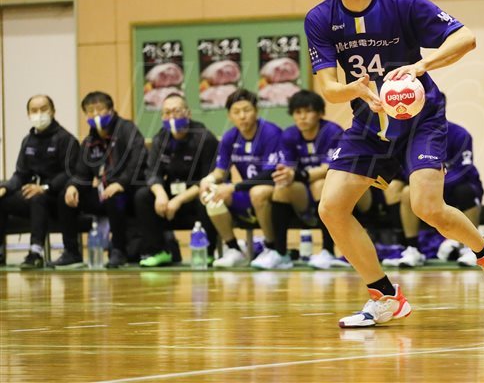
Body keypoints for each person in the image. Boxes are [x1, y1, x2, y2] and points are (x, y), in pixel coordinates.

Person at [305, 0, 484, 327]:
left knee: (426, 207)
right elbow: (329, 89)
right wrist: (353, 89)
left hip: (421, 117)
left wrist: (422, 65)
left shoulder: (403, 4)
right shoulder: (320, 18)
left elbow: (466, 38)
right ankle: (385, 296)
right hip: (369, 121)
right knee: (331, 208)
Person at [258, 90, 350, 270]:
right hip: (304, 194)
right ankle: (280, 253)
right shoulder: (289, 135)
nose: (302, 117)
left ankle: (327, 251)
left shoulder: (332, 131)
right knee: (281, 187)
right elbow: (288, 169)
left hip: (334, 190)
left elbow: (330, 168)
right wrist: (287, 174)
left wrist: (300, 175)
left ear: (320, 113)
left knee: (321, 184)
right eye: (298, 112)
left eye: (308, 111)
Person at [54, 91, 147, 268]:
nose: (95, 114)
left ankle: (119, 250)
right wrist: (73, 186)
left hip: (127, 192)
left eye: (100, 109)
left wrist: (120, 183)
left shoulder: (127, 129)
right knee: (65, 196)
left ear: (111, 110)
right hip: (103, 193)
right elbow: (82, 173)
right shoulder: (89, 141)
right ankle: (71, 252)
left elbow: (139, 160)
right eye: (90, 111)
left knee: (115, 197)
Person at [383, 117, 484, 268]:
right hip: (429, 185)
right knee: (406, 192)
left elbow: (464, 169)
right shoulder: (412, 136)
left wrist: (435, 182)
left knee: (466, 192)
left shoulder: (460, 134)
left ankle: (472, 249)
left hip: (457, 184)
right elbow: (406, 168)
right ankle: (412, 248)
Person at [199, 89, 282, 268]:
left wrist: (233, 187)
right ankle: (234, 249)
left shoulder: (271, 132)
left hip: (272, 191)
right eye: (236, 112)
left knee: (258, 192)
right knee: (213, 195)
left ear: (256, 111)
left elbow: (270, 174)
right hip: (245, 191)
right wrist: (208, 180)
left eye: (247, 110)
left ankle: (271, 248)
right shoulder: (229, 137)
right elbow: (220, 171)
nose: (242, 116)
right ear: (229, 116)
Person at [134, 93, 219, 267]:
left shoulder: (205, 138)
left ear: (188, 113)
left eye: (176, 111)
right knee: (143, 196)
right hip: (171, 193)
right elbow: (152, 172)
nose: (171, 116)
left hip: (195, 194)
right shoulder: (160, 139)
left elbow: (207, 179)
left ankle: (207, 252)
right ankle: (158, 251)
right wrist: (160, 194)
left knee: (207, 196)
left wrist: (178, 200)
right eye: (167, 113)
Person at [0, 95, 79, 269]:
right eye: (34, 110)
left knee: (37, 198)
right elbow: (21, 174)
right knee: (3, 199)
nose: (39, 114)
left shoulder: (66, 139)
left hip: (56, 197)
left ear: (53, 111)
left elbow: (69, 173)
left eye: (44, 109)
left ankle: (35, 253)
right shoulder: (28, 140)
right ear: (28, 114)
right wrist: (5, 188)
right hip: (33, 195)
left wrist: (44, 188)